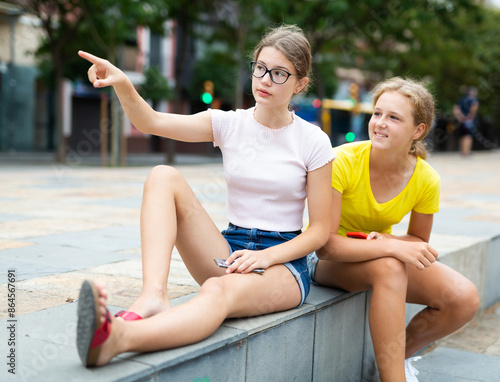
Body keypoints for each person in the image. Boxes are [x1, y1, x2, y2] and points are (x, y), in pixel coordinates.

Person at [75, 25, 334, 367]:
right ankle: (154, 295)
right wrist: (123, 83)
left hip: (284, 265)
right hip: (230, 248)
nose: (265, 79)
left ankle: (119, 339)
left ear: (300, 83)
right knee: (162, 176)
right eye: (260, 68)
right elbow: (150, 121)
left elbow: (319, 232)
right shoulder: (229, 123)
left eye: (279, 73)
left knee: (217, 291)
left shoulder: (312, 141)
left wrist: (267, 258)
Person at [309, 77, 479, 382]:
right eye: (377, 113)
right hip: (323, 261)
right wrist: (391, 245)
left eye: (393, 117)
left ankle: (396, 360)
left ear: (418, 130)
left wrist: (390, 241)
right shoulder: (341, 161)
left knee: (463, 297)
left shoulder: (427, 179)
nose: (380, 123)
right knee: (390, 266)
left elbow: (416, 243)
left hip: (376, 253)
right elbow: (326, 245)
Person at [453, 86, 479, 156]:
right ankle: (466, 152)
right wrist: (469, 118)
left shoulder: (462, 99)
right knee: (468, 135)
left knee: (462, 135)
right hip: (469, 121)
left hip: (462, 121)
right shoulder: (473, 99)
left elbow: (456, 109)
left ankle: (462, 151)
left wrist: (460, 118)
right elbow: (474, 108)